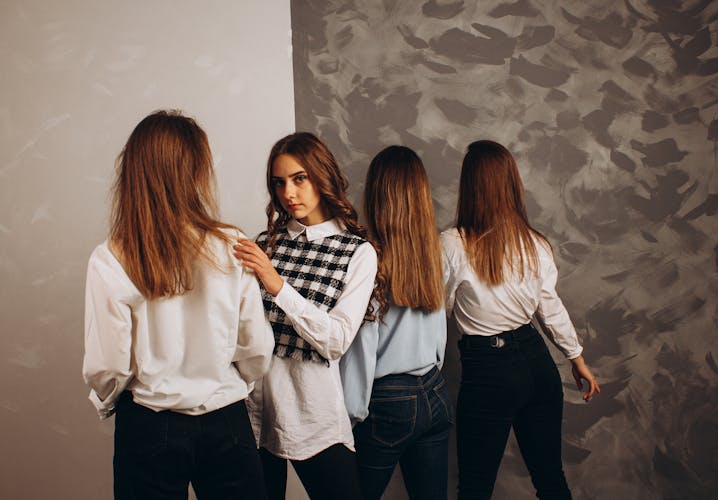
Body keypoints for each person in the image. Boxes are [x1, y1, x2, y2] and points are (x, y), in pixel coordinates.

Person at [82, 110, 274, 500]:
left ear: (134, 172)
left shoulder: (111, 256)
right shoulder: (231, 244)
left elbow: (109, 367)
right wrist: (233, 381)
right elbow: (255, 348)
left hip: (149, 423)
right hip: (226, 419)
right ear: (196, 170)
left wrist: (110, 400)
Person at [441, 140, 601, 500]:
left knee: (475, 488)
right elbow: (550, 308)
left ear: (469, 187)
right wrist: (577, 359)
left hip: (489, 370)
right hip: (537, 363)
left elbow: (439, 308)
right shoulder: (536, 243)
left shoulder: (451, 244)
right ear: (512, 184)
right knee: (550, 479)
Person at [233, 132, 381, 500]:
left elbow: (335, 341)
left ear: (322, 175)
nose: (289, 193)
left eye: (300, 179)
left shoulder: (357, 252)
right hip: (253, 410)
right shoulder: (267, 242)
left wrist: (276, 284)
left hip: (312, 411)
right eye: (279, 182)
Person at [339, 145, 453, 500]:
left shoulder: (367, 260)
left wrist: (348, 418)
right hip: (434, 391)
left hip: (386, 400)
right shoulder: (434, 252)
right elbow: (439, 330)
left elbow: (361, 349)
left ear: (376, 194)